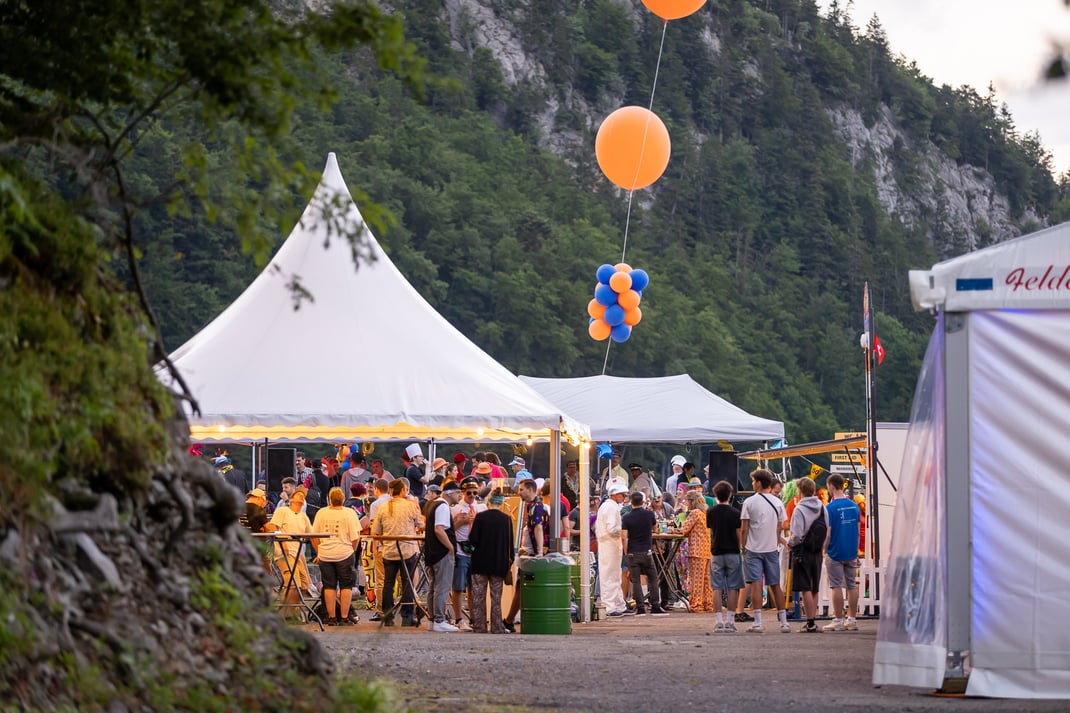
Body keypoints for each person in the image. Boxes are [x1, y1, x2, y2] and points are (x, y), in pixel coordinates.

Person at [739, 468, 790, 633]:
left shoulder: (749, 502)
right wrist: (775, 541)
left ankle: (758, 622)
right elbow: (781, 526)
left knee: (756, 584)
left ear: (759, 483)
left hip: (753, 548)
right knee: (775, 585)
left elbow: (744, 528)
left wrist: (742, 545)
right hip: (771, 548)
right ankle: (784, 622)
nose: (752, 484)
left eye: (754, 481)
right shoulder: (778, 502)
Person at [371, 478, 424, 627]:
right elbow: (420, 524)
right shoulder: (410, 506)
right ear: (402, 490)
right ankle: (407, 616)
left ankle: (387, 616)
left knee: (388, 583)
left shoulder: (383, 507)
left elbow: (376, 532)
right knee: (407, 582)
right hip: (407, 550)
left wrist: (385, 542)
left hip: (389, 550)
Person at [311, 487, 363, 625]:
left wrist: (319, 551)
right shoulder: (350, 513)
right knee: (346, 586)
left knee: (329, 586)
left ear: (329, 499)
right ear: (343, 499)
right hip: (344, 553)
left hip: (325, 554)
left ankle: (332, 617)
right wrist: (352, 550)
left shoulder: (321, 513)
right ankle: (344, 617)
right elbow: (356, 537)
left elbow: (314, 535)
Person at [502, 478, 547, 632]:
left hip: (533, 555)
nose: (519, 493)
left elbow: (538, 528)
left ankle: (509, 620)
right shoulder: (532, 506)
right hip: (531, 553)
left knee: (521, 588)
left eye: (521, 489)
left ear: (530, 489)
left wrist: (539, 552)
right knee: (521, 587)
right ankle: (509, 620)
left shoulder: (536, 507)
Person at [469, 489, 514, 634]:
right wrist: (509, 563)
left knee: (478, 597)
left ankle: (479, 626)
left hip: (480, 563)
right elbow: (510, 544)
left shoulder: (480, 517)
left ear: (489, 502)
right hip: (499, 564)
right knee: (496, 598)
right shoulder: (506, 519)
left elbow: (473, 539)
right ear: (501, 504)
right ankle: (497, 627)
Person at [787, 477, 828, 633]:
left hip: (802, 551)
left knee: (805, 588)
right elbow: (827, 529)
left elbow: (796, 535)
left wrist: (790, 544)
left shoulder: (799, 509)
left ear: (801, 491)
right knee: (815, 587)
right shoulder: (822, 508)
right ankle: (813, 620)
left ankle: (810, 622)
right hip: (817, 551)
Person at [621, 491, 669, 616]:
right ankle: (655, 606)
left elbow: (624, 537)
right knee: (653, 578)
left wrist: (626, 552)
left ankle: (640, 607)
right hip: (647, 551)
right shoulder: (649, 514)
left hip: (633, 551)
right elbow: (655, 528)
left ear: (631, 502)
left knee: (636, 580)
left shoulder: (626, 517)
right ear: (642, 502)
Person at [823, 473, 861, 632]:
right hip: (851, 550)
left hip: (835, 550)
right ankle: (851, 619)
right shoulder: (854, 506)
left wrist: (824, 550)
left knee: (836, 585)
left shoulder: (829, 508)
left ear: (831, 486)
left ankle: (838, 619)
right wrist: (857, 551)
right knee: (852, 585)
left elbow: (828, 533)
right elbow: (858, 530)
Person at [425, 481, 463, 632]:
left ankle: (432, 619)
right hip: (441, 552)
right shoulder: (443, 507)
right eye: (457, 492)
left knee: (433, 587)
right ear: (448, 493)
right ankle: (439, 620)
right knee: (442, 586)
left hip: (431, 551)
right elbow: (439, 529)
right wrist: (450, 547)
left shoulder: (431, 504)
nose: (460, 494)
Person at [707, 481, 743, 633]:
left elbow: (711, 531)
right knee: (733, 587)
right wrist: (741, 547)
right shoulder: (736, 513)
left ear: (715, 495)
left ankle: (718, 622)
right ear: (730, 495)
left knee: (717, 588)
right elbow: (739, 533)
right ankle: (730, 621)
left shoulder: (711, 512)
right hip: (733, 552)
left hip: (716, 552)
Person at [451, 477, 486, 629]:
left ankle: (474, 617)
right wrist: (461, 522)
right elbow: (450, 530)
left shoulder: (481, 508)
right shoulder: (456, 509)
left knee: (475, 588)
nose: (472, 496)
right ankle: (458, 618)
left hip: (476, 551)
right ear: (463, 493)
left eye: (475, 493)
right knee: (458, 586)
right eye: (469, 493)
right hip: (461, 549)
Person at [268, 489, 313, 604]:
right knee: (293, 583)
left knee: (304, 584)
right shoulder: (282, 511)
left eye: (303, 496)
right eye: (298, 495)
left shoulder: (303, 516)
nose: (301, 497)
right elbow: (273, 528)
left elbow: (313, 535)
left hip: (298, 554)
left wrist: (321, 553)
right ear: (291, 499)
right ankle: (285, 613)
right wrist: (283, 544)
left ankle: (294, 611)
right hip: (283, 552)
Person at [595, 482, 629, 617]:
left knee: (615, 575)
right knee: (609, 575)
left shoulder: (610, 506)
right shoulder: (610, 508)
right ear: (615, 495)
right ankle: (609, 606)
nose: (624, 497)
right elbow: (612, 528)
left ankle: (619, 604)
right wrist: (624, 531)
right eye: (622, 495)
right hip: (609, 543)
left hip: (611, 544)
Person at [678, 490, 713, 613]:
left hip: (696, 549)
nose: (686, 503)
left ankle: (697, 605)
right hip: (707, 549)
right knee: (706, 579)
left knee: (697, 579)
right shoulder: (706, 512)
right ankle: (708, 603)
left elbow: (684, 530)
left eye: (687, 501)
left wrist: (676, 530)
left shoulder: (695, 513)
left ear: (692, 501)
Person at [366, 477, 391, 621]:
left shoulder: (376, 505)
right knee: (402, 579)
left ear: (376, 489)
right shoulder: (394, 501)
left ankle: (381, 610)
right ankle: (413, 606)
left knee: (380, 580)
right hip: (397, 545)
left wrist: (374, 546)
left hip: (382, 545)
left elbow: (374, 527)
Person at [539, 480, 570, 552]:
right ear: (550, 494)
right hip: (556, 542)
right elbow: (567, 527)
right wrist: (567, 546)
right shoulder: (561, 505)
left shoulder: (537, 506)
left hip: (539, 543)